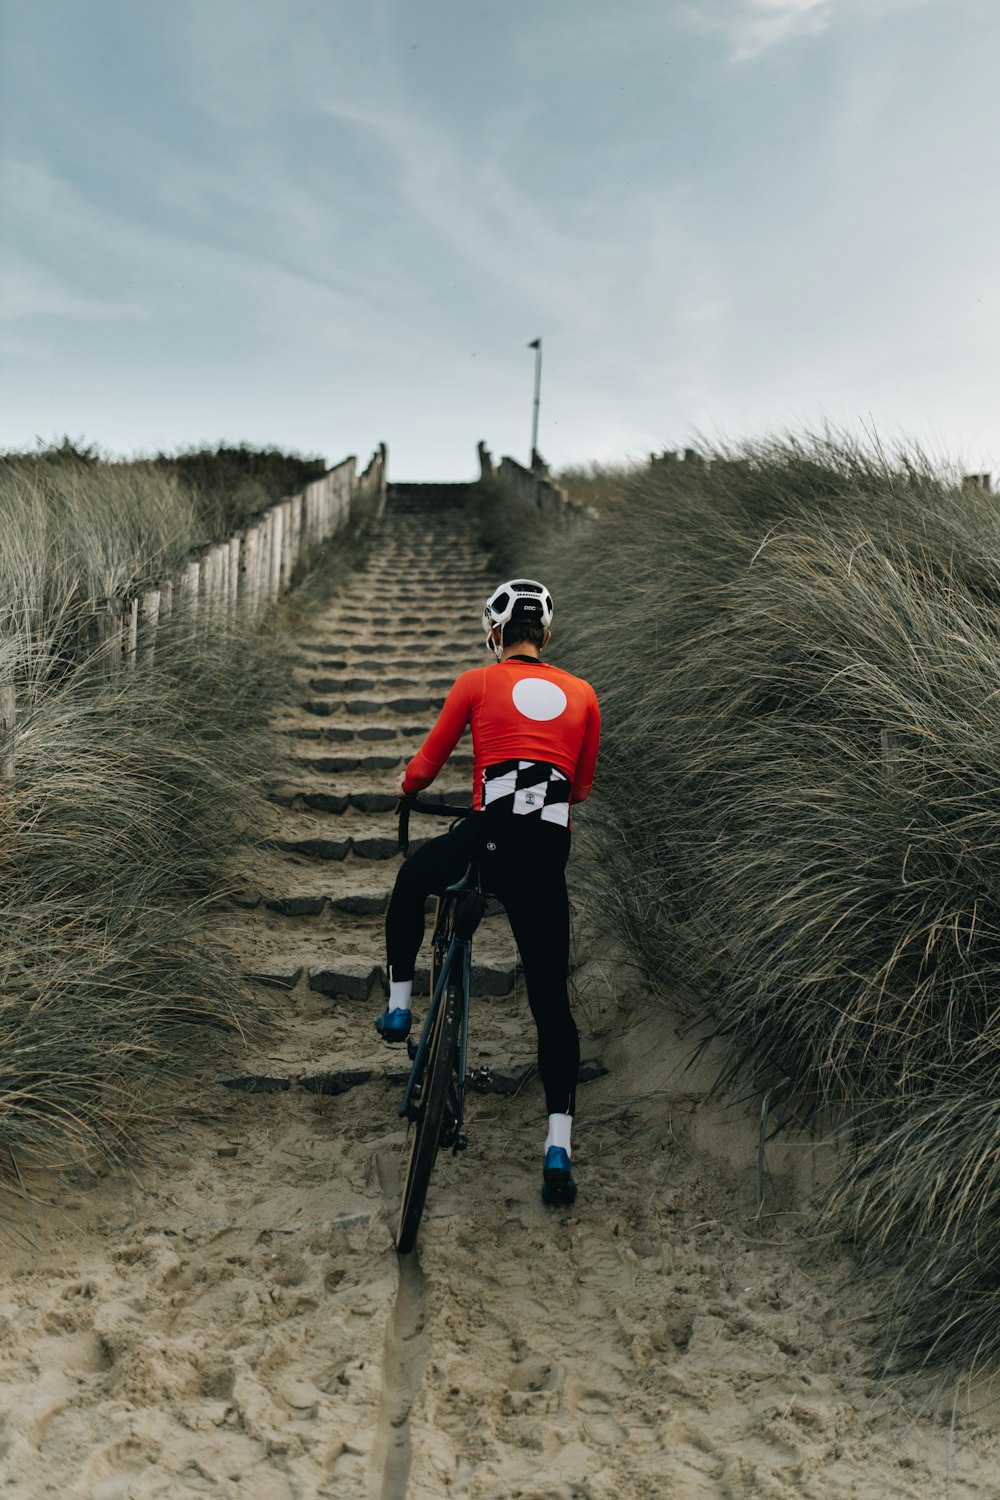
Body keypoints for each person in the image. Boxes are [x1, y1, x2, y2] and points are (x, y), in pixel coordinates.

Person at [374, 578, 601, 1206]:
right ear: (546, 635)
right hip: (546, 851)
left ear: (495, 634)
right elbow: (579, 790)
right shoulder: (583, 694)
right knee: (552, 1003)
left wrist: (406, 786)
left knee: (413, 879)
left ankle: (397, 1006)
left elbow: (425, 767)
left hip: (488, 836)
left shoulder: (475, 682)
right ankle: (558, 1146)